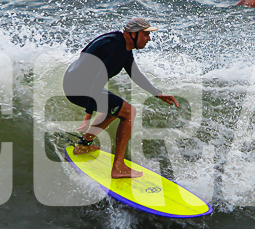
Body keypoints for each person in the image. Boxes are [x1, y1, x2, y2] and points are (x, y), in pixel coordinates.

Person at [62, 17, 180, 179]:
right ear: (134, 34)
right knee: (129, 112)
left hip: (75, 81)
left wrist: (157, 93)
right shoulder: (116, 50)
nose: (149, 39)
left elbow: (134, 73)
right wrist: (88, 115)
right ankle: (118, 167)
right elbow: (98, 82)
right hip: (79, 88)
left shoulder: (121, 43)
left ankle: (83, 145)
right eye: (146, 35)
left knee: (117, 109)